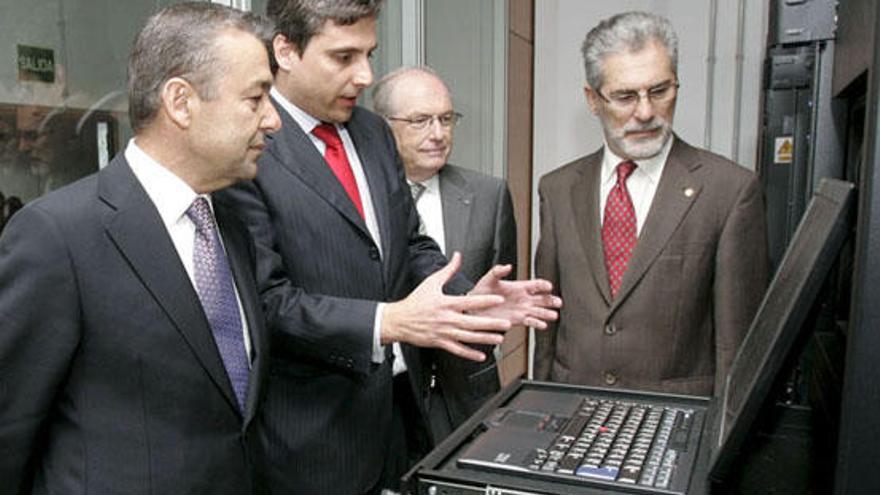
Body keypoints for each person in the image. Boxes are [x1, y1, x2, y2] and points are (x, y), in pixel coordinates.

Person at [215, 1, 561, 493]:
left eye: (369, 54)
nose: (365, 75)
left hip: (399, 420)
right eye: (344, 57)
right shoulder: (248, 149)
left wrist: (465, 301)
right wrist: (389, 322)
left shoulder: (374, 133)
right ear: (285, 50)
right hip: (311, 444)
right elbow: (265, 303)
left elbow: (411, 244)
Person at [0, 3, 281, 494]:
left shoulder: (230, 227)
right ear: (181, 102)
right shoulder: (57, 236)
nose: (273, 120)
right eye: (255, 98)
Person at [534, 11, 769, 397]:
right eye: (625, 96)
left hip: (675, 422)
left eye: (659, 91)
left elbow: (737, 346)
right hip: (571, 414)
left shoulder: (730, 191)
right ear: (593, 99)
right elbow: (548, 327)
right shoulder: (557, 189)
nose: (645, 112)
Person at [371, 66, 516, 442]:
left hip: (464, 394)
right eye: (420, 121)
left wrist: (484, 307)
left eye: (446, 119)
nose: (438, 134)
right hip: (387, 398)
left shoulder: (489, 195)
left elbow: (500, 298)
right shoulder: (361, 199)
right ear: (382, 127)